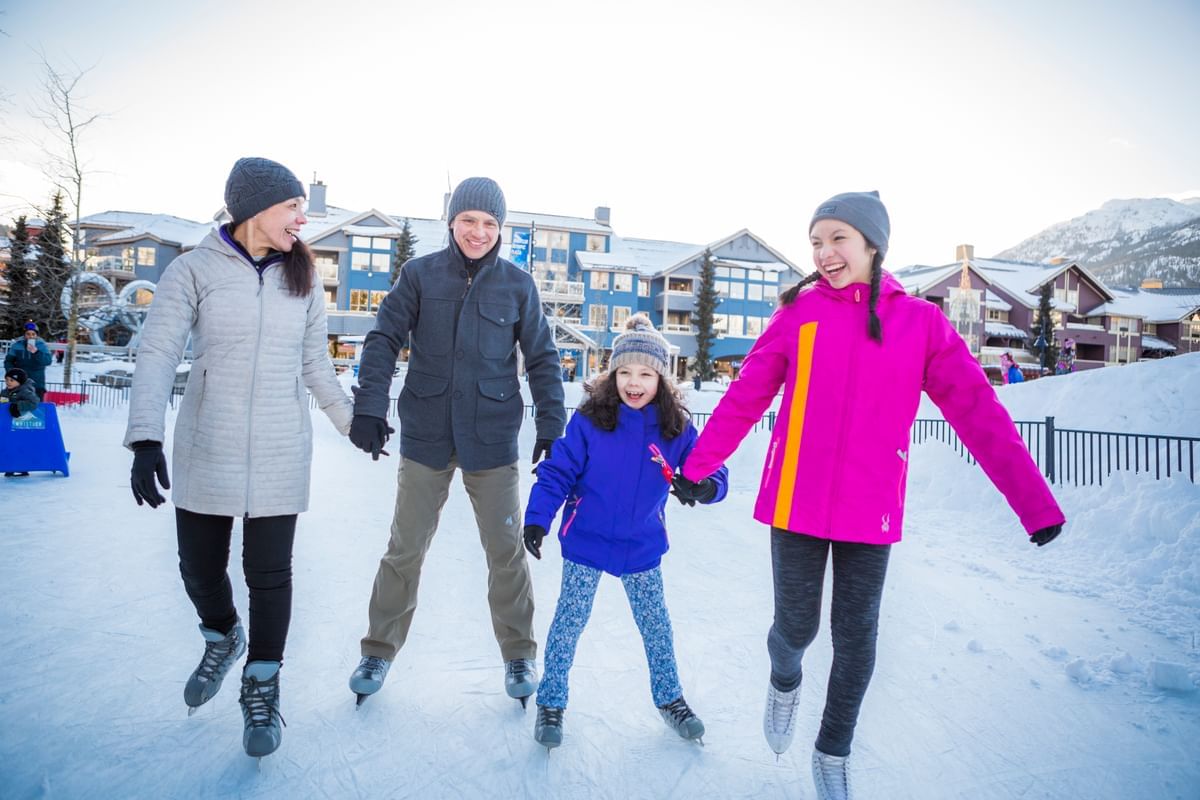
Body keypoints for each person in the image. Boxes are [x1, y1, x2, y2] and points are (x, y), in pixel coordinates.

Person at [672, 192, 1065, 800]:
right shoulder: (799, 315)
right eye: (816, 242)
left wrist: (1033, 504)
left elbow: (978, 413)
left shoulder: (920, 324)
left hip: (870, 506)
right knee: (795, 629)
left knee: (857, 639)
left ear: (873, 245)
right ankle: (784, 677)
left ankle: (833, 751)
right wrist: (699, 466)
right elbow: (746, 394)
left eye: (838, 239)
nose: (825, 253)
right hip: (795, 502)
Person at [124, 157, 353, 759]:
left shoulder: (303, 280)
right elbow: (157, 351)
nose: (302, 219)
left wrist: (357, 425)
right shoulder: (194, 271)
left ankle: (262, 684)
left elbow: (315, 369)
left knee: (270, 574)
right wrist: (146, 437)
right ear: (253, 207)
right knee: (198, 569)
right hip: (208, 444)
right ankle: (223, 636)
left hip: (281, 451)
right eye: (292, 207)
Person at [346, 177, 566, 708]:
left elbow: (541, 357)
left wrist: (552, 425)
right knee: (405, 547)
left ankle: (519, 653)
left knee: (505, 551)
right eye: (469, 220)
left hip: (490, 437)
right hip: (426, 434)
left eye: (490, 223)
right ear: (451, 222)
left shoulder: (517, 285)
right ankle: (378, 649)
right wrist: (370, 405)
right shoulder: (419, 276)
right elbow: (383, 338)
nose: (479, 231)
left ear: (500, 230)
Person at [522, 315, 728, 750]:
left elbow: (710, 466)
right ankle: (552, 701)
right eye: (625, 373)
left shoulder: (675, 428)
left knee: (657, 627)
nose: (634, 383)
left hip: (640, 546)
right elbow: (557, 471)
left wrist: (707, 485)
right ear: (612, 375)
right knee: (569, 623)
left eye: (645, 374)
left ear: (661, 379)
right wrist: (538, 517)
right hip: (588, 541)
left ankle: (670, 699)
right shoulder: (590, 421)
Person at [5, 322, 53, 400]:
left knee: (36, 407)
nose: (31, 336)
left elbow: (47, 361)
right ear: (24, 335)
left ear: (36, 335)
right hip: (18, 383)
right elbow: (8, 361)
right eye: (28, 334)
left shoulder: (42, 345)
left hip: (37, 383)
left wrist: (36, 352)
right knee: (16, 407)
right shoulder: (17, 345)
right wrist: (12, 373)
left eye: (33, 334)